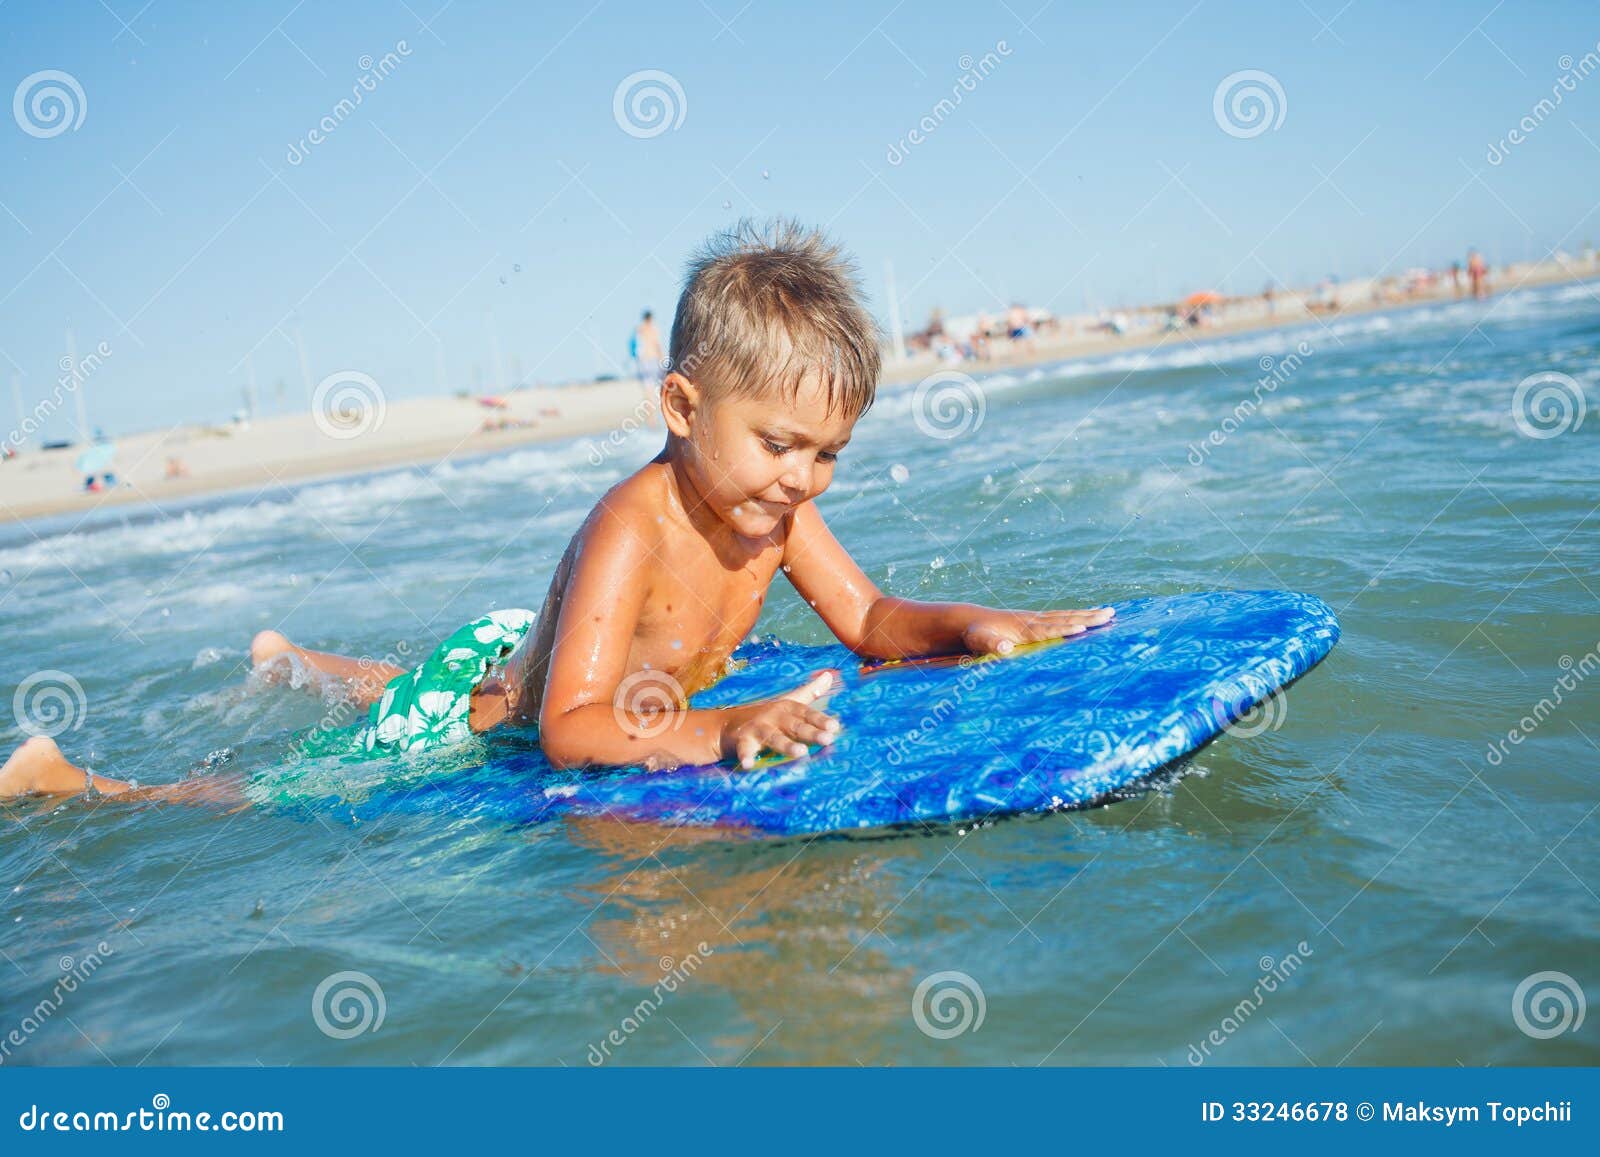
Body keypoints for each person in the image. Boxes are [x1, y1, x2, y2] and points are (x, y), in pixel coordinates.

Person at [0, 220, 1113, 801]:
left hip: (527, 652)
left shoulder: (772, 511)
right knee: (303, 787)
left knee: (444, 671)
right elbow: (567, 728)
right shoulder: (630, 525)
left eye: (829, 453)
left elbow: (869, 620)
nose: (801, 478)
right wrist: (716, 731)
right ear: (680, 404)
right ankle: (88, 784)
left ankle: (295, 656)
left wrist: (968, 624)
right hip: (487, 715)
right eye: (779, 444)